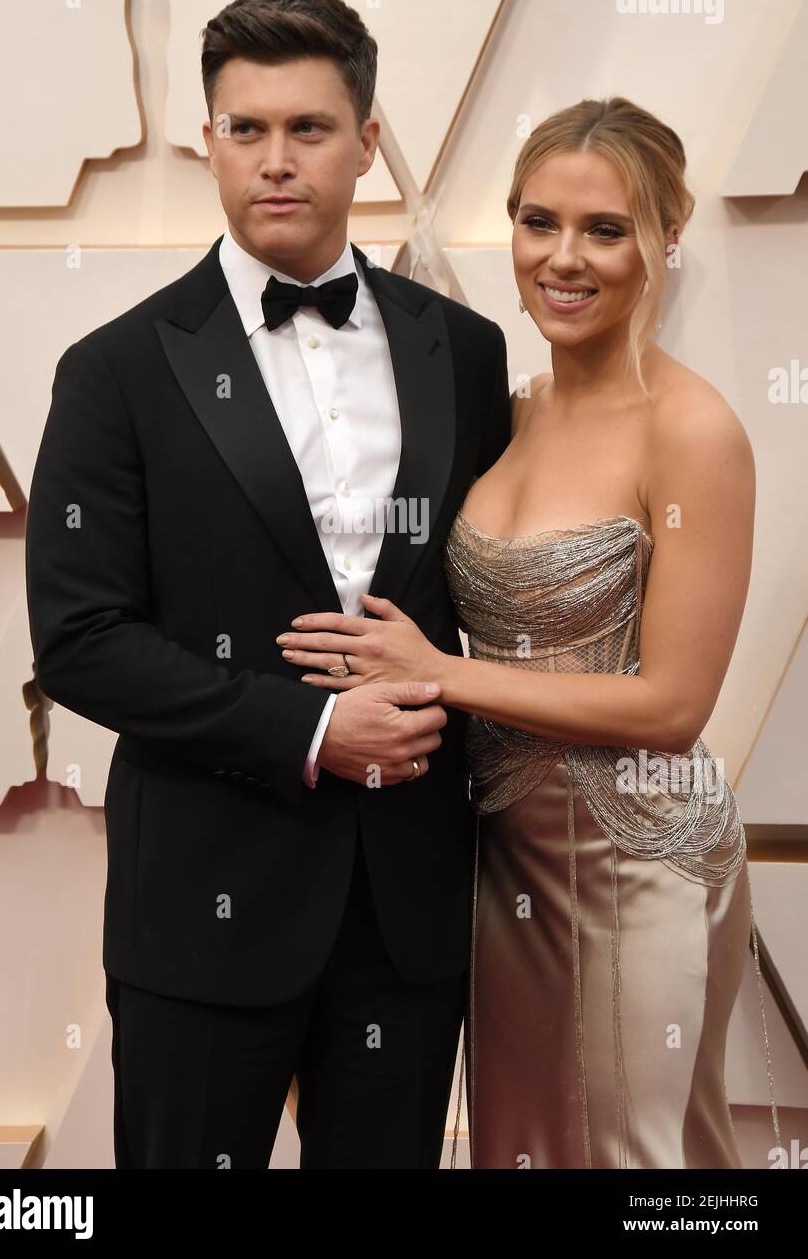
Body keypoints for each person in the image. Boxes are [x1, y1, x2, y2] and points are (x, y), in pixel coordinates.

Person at [24, 0, 511, 1168]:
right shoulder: (114, 369)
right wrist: (309, 729)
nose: (274, 161)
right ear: (208, 145)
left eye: (307, 129)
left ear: (367, 144)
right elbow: (80, 636)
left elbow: (485, 604)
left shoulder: (464, 348)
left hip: (409, 905)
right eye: (245, 131)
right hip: (201, 900)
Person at [276, 96, 780, 1169]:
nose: (564, 257)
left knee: (643, 1161)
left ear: (664, 240)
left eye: (604, 229)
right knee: (524, 1149)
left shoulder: (691, 431)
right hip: (504, 866)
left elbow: (672, 706)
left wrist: (441, 675)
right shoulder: (513, 409)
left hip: (637, 860)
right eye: (536, 220)